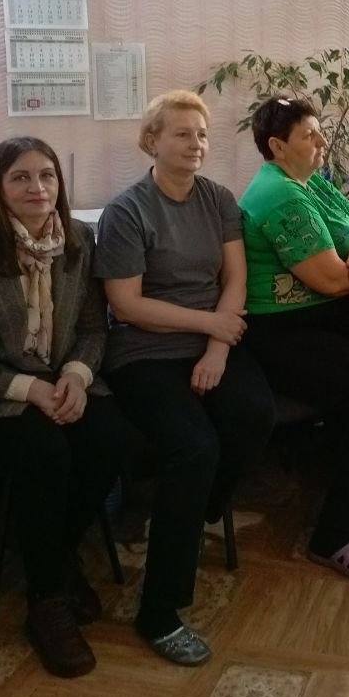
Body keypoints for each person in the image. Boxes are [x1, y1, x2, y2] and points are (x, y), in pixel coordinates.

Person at [0, 138, 127, 679]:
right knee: (45, 453)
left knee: (110, 438)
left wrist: (76, 375)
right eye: (20, 177)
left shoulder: (79, 240)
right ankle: (46, 598)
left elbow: (92, 329)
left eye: (47, 176)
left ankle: (53, 553)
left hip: (63, 381)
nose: (37, 188)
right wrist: (27, 389)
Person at [94, 90, 275, 665]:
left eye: (201, 134)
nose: (196, 144)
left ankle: (194, 515)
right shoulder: (127, 212)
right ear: (152, 141)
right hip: (143, 352)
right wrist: (210, 325)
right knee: (195, 448)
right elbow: (126, 305)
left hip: (210, 342)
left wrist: (218, 347)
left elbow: (235, 280)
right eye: (181, 133)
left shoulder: (218, 198)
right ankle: (159, 611)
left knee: (254, 415)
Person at [239, 96, 349, 582]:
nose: (322, 140)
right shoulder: (280, 195)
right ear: (277, 146)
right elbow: (333, 281)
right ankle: (335, 536)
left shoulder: (311, 180)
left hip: (324, 313)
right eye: (309, 134)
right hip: (281, 329)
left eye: (319, 131)